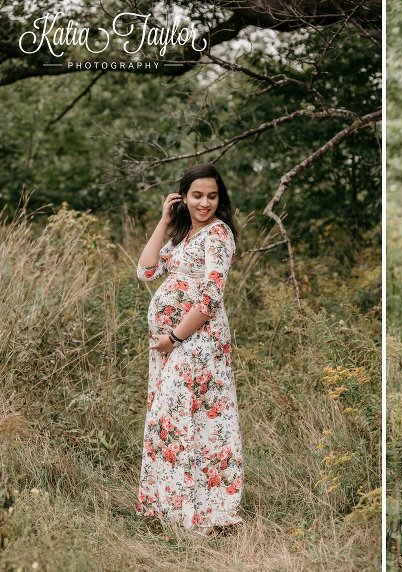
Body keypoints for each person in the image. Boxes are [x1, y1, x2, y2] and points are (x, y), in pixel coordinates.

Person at [135, 163, 243, 536]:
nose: (205, 203)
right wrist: (164, 220)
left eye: (212, 196)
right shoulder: (183, 235)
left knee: (183, 420)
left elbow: (211, 297)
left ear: (220, 199)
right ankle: (175, 511)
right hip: (172, 344)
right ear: (184, 196)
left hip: (197, 342)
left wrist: (175, 338)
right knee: (173, 422)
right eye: (197, 195)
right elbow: (147, 271)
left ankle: (201, 518)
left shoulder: (218, 235)